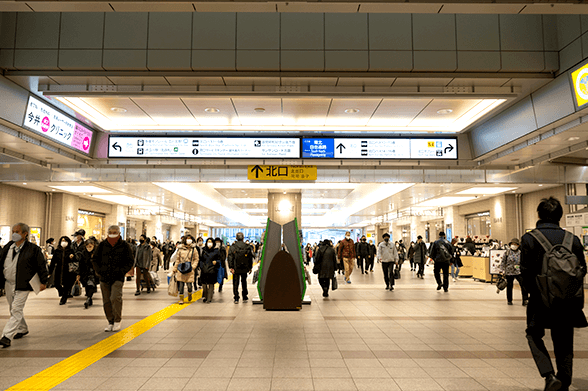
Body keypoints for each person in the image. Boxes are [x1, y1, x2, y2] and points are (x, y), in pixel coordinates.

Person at [521, 197, 587, 391]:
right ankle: (564, 381)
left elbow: (525, 272)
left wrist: (530, 294)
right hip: (567, 300)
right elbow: (581, 268)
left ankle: (549, 375)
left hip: (541, 300)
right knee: (564, 341)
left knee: (533, 334)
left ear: (539, 215)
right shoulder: (572, 239)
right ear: (560, 216)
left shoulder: (530, 238)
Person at [0, 223, 48, 348]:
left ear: (25, 234)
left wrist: (43, 281)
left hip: (23, 284)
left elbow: (41, 265)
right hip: (8, 283)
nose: (14, 234)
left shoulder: (33, 249)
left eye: (17, 231)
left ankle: (6, 336)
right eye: (13, 231)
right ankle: (22, 328)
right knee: (13, 308)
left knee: (16, 309)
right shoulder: (8, 247)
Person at [93, 225, 134, 332]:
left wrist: (122, 271)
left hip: (117, 277)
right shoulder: (102, 245)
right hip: (104, 277)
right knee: (106, 300)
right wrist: (99, 271)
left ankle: (117, 320)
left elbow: (130, 260)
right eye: (110, 232)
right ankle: (110, 321)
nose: (112, 234)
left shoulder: (124, 245)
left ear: (119, 233)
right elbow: (95, 259)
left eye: (114, 232)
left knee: (115, 298)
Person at [49, 236, 77, 305]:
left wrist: (72, 257)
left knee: (66, 285)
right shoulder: (57, 251)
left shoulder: (71, 250)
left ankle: (63, 298)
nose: (63, 242)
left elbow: (75, 261)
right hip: (58, 270)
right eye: (62, 240)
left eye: (65, 241)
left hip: (67, 271)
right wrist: (50, 272)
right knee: (56, 284)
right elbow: (53, 262)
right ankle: (62, 292)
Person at [499, 238, 528, 306]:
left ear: (518, 245)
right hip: (509, 272)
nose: (514, 245)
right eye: (512, 244)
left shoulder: (521, 253)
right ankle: (509, 300)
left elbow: (524, 262)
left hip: (518, 271)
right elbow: (503, 262)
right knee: (509, 286)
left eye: (515, 244)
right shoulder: (507, 252)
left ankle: (525, 300)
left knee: (523, 285)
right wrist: (501, 270)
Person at [171, 235, 199, 304]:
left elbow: (196, 259)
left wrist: (193, 267)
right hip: (181, 269)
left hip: (190, 269)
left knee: (189, 286)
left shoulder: (194, 249)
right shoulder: (180, 249)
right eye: (187, 239)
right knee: (181, 285)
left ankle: (189, 294)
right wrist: (175, 268)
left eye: (190, 239)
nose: (189, 240)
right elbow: (177, 260)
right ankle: (181, 299)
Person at [228, 232, 253, 304]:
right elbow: (250, 258)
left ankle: (236, 297)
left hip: (236, 267)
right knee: (244, 281)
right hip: (244, 267)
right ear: (243, 238)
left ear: (236, 238)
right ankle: (244, 296)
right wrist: (250, 267)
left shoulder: (233, 247)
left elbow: (230, 257)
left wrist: (231, 267)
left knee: (235, 283)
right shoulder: (247, 246)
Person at [78, 237, 99, 309]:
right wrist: (78, 274)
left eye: (90, 246)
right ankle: (89, 298)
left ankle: (88, 299)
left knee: (91, 285)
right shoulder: (83, 253)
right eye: (87, 246)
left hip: (93, 273)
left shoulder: (96, 253)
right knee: (87, 286)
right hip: (85, 273)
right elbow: (80, 264)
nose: (89, 248)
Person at [199, 238, 220, 303]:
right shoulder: (203, 250)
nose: (209, 243)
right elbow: (200, 259)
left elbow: (220, 260)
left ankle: (209, 298)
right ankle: (205, 296)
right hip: (204, 270)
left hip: (212, 269)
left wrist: (216, 262)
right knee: (204, 285)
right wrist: (201, 266)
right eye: (208, 242)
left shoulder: (216, 251)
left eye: (211, 242)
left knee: (211, 284)